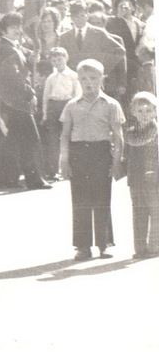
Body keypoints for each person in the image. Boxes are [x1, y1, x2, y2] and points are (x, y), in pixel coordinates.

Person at [59, 59, 126, 260]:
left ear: (102, 79)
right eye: (84, 79)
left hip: (101, 153)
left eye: (94, 78)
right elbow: (65, 135)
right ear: (78, 80)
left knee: (102, 198)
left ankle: (104, 244)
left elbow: (118, 136)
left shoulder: (111, 104)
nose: (89, 83)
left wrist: (117, 162)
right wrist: (64, 161)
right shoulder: (71, 105)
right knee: (80, 200)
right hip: (78, 153)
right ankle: (82, 246)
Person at [0, 12, 49, 190]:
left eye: (19, 26)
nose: (18, 30)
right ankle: (34, 180)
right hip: (16, 101)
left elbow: (22, 62)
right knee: (30, 140)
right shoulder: (6, 49)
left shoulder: (10, 46)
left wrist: (30, 58)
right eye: (13, 27)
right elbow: (14, 76)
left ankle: (5, 179)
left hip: (12, 101)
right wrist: (30, 92)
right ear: (3, 30)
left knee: (13, 141)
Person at [59, 0, 127, 104]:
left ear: (87, 16)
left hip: (94, 80)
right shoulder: (64, 37)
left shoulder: (98, 33)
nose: (80, 19)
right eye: (76, 17)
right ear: (71, 18)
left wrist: (102, 69)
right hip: (73, 81)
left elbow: (119, 51)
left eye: (82, 16)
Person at [118, 91, 158, 259]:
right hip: (136, 177)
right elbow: (127, 152)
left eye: (148, 110)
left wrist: (124, 135)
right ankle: (140, 248)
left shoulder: (153, 129)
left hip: (152, 176)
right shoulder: (132, 130)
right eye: (140, 111)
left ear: (155, 112)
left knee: (155, 212)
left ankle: (154, 246)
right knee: (139, 212)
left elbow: (138, 141)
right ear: (133, 112)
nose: (144, 114)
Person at [41, 46, 79, 181]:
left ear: (66, 58)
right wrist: (45, 114)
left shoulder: (73, 76)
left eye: (59, 59)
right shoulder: (51, 78)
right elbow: (46, 97)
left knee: (68, 137)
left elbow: (77, 94)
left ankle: (70, 169)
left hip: (67, 105)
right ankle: (53, 171)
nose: (57, 62)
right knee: (53, 139)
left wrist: (75, 112)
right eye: (54, 61)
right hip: (53, 107)